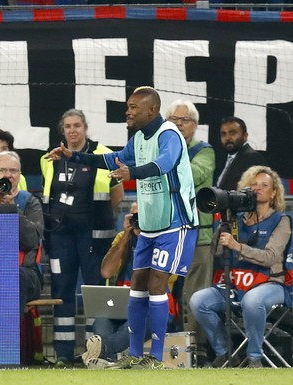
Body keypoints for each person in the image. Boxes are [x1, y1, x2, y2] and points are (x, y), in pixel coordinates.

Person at [46, 86, 199, 369]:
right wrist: (73, 156)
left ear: (151, 110)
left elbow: (164, 164)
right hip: (150, 226)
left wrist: (134, 173)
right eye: (127, 106)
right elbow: (110, 159)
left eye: (133, 107)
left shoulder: (169, 134)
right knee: (138, 286)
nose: (127, 111)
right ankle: (134, 353)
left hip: (175, 224)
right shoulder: (139, 137)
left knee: (156, 284)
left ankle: (155, 357)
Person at [40, 108, 124, 366]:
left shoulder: (104, 154)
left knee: (96, 294)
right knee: (62, 292)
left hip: (94, 239)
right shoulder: (49, 159)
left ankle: (96, 351)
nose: (73, 130)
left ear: (86, 128)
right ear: (62, 131)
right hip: (60, 238)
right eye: (68, 126)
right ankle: (63, 355)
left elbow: (117, 195)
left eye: (77, 125)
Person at [190, 166, 291, 369]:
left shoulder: (281, 221)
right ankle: (224, 353)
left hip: (270, 283)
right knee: (198, 300)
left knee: (253, 301)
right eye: (254, 184)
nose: (258, 188)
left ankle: (254, 357)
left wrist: (237, 246)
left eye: (264, 185)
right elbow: (217, 252)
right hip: (237, 283)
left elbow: (271, 258)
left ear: (273, 193)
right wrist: (225, 222)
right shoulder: (237, 219)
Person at [165, 99, 216, 366]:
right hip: (168, 234)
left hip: (199, 236)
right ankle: (167, 349)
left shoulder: (204, 152)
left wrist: (164, 163)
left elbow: (191, 176)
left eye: (184, 120)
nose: (179, 125)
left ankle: (197, 351)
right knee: (163, 293)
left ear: (195, 125)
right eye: (174, 120)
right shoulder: (162, 150)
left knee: (195, 296)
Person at [82, 202, 151, 368]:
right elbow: (106, 272)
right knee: (101, 322)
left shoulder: (160, 240)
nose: (138, 221)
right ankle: (108, 362)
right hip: (122, 307)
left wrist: (145, 237)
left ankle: (101, 351)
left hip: (149, 309)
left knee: (133, 324)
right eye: (135, 217)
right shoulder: (123, 238)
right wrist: (126, 237)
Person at [0, 150, 43, 315]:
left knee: (13, 275)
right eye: (3, 170)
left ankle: (7, 336)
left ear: (20, 175)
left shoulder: (30, 202)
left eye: (13, 171)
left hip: (24, 273)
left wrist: (12, 209)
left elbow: (31, 241)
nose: (8, 175)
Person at [215, 117, 266, 191]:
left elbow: (259, 191)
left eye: (232, 133)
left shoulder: (252, 158)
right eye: (223, 134)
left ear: (245, 136)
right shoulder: (224, 159)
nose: (227, 138)